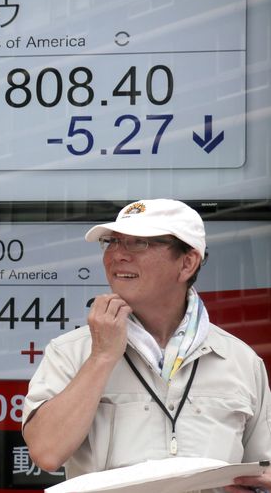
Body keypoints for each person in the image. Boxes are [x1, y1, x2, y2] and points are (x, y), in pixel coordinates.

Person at [21, 199, 271, 492]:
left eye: (138, 243)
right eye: (112, 242)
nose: (117, 255)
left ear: (187, 262)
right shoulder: (71, 351)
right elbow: (46, 453)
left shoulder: (240, 359)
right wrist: (102, 356)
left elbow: (262, 466)